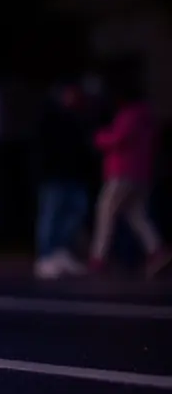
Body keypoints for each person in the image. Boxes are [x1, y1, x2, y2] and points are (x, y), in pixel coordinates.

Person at [87, 91, 171, 278]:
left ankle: (98, 258)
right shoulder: (148, 117)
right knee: (137, 215)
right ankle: (157, 250)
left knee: (105, 212)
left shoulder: (130, 115)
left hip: (121, 173)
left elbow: (117, 138)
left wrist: (98, 137)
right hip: (141, 173)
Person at [33, 83, 96, 279]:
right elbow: (42, 147)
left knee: (75, 213)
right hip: (54, 175)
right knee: (51, 215)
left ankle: (62, 253)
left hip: (74, 174)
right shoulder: (49, 116)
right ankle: (45, 257)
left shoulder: (77, 117)